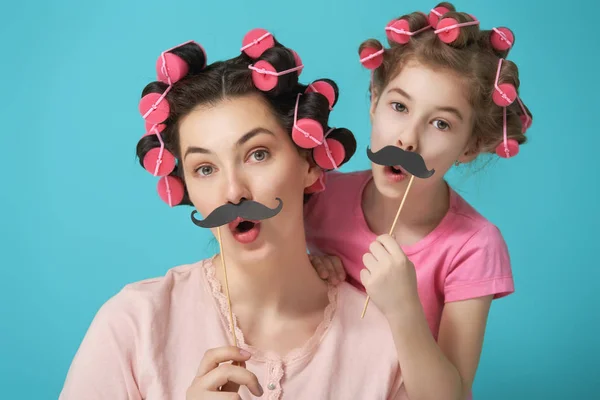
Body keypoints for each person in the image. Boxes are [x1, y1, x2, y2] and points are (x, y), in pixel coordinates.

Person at [59, 29, 408, 400]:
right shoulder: (133, 324)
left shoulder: (386, 340)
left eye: (257, 154)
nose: (233, 192)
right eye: (205, 168)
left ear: (308, 164)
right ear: (187, 187)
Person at [305, 3, 534, 400]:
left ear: (469, 146)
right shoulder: (317, 197)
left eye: (441, 123)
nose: (408, 139)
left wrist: (404, 307)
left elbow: (451, 395)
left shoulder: (474, 246)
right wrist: (304, 272)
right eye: (399, 106)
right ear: (373, 101)